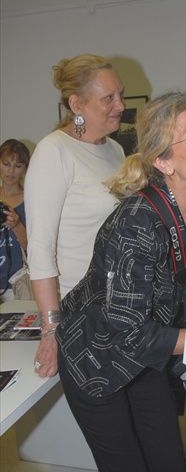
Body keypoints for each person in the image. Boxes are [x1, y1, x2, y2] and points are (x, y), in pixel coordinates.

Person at [55, 92, 186, 472]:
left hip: (143, 362)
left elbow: (181, 299)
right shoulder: (137, 224)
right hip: (95, 362)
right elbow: (129, 335)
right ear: (164, 162)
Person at [24, 53, 125, 378]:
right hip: (80, 313)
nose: (121, 105)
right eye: (109, 97)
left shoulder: (114, 150)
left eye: (120, 94)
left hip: (120, 307)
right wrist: (51, 329)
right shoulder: (54, 151)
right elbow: (40, 248)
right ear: (76, 104)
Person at [0, 139, 30, 302]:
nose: (11, 171)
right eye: (6, 164)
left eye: (18, 166)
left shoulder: (32, 200)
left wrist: (17, 225)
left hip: (17, 285)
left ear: (25, 168)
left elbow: (34, 248)